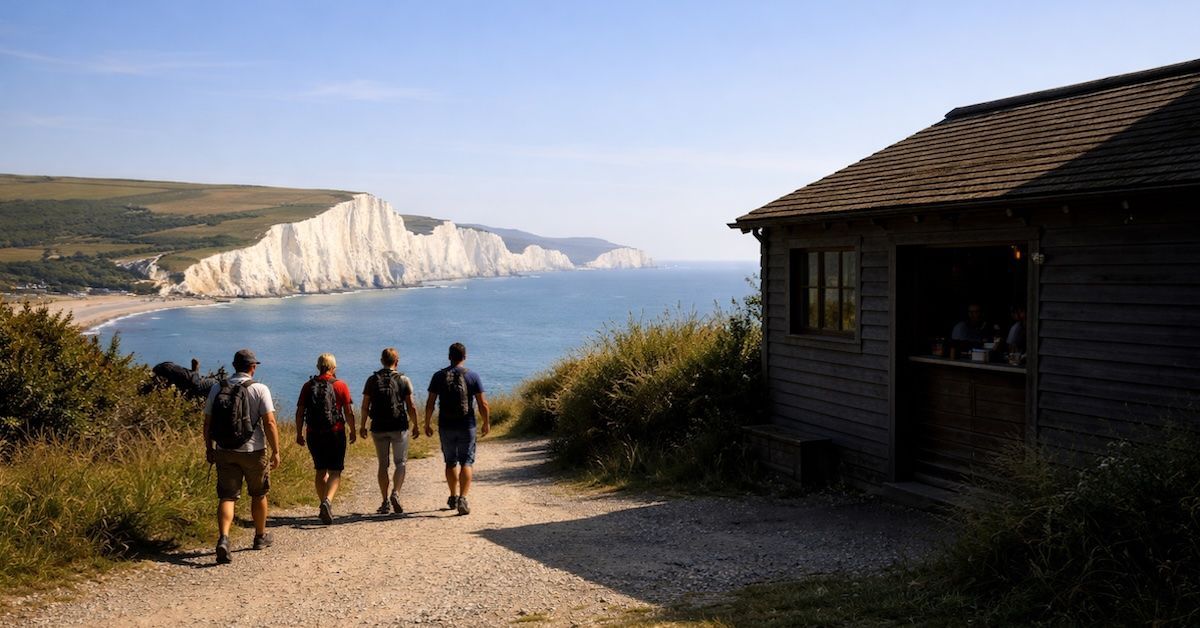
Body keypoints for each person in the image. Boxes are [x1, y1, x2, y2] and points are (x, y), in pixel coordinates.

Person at [203, 349, 281, 564]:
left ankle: (224, 539)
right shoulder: (259, 388)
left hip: (225, 450)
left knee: (227, 496)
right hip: (253, 451)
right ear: (252, 367)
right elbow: (270, 422)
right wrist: (276, 451)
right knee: (258, 493)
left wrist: (209, 448)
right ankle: (259, 536)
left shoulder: (218, 388)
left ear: (234, 365)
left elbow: (207, 423)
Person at [424, 342, 490, 516]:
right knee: (467, 461)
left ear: (449, 357)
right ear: (465, 357)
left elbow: (430, 403)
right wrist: (486, 422)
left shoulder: (438, 376)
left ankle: (452, 496)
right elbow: (482, 403)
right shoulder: (472, 376)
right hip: (467, 425)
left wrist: (427, 423)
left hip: (446, 425)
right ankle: (463, 498)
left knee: (450, 461)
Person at [295, 353, 356, 525]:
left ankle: (323, 502)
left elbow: (300, 413)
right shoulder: (340, 385)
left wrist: (299, 433)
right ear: (333, 368)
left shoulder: (308, 386)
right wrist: (352, 430)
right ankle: (327, 502)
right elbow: (348, 412)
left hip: (314, 433)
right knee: (335, 470)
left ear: (318, 367)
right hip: (335, 433)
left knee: (320, 470)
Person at [360, 347, 420, 515]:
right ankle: (396, 493)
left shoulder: (372, 380)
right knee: (400, 462)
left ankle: (385, 501)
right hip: (398, 426)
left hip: (378, 427)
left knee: (383, 464)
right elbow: (411, 406)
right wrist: (416, 424)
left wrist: (363, 425)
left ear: (381, 361)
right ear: (397, 361)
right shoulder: (404, 380)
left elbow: (365, 406)